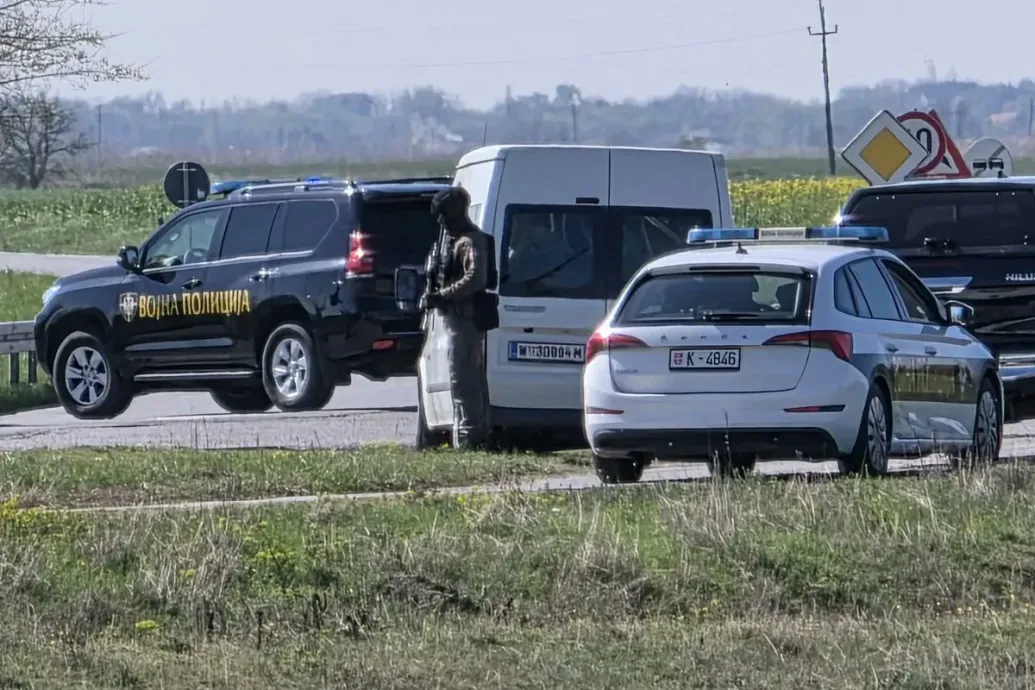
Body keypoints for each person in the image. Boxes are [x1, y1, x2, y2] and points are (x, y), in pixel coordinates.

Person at [423, 187, 492, 449]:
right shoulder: (453, 240)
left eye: (443, 215)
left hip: (465, 320)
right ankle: (469, 435)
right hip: (457, 319)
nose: (440, 221)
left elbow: (475, 278)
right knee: (463, 379)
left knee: (463, 380)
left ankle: (470, 438)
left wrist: (444, 295)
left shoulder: (469, 242)